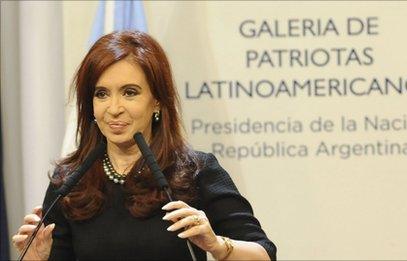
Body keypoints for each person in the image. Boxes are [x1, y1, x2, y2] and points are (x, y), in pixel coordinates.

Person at [11, 31, 276, 260]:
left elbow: (263, 254)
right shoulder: (69, 182)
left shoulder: (196, 171)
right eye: (101, 94)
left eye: (130, 92)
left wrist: (217, 246)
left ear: (158, 101)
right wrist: (35, 258)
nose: (114, 109)